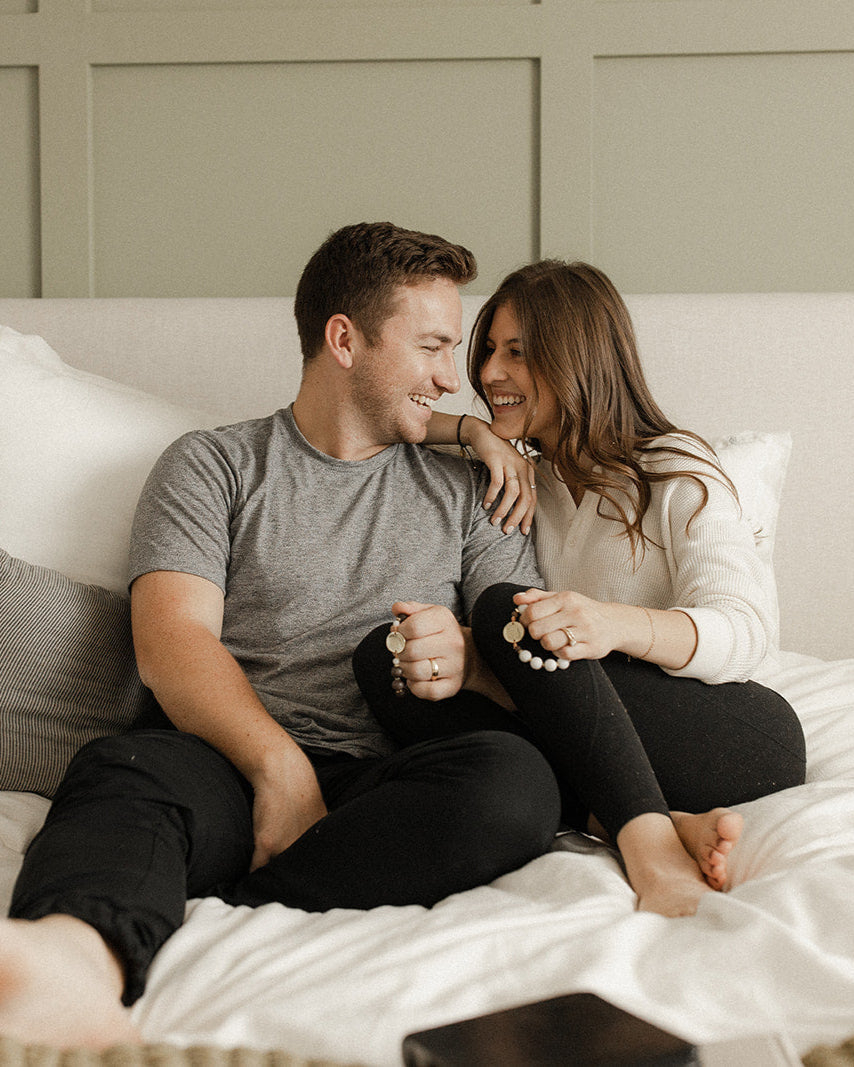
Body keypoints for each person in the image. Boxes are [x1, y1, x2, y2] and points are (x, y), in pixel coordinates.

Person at [0, 223, 564, 1050]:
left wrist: (470, 655)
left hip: (392, 777)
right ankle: (72, 960)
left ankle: (253, 892)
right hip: (227, 760)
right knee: (127, 770)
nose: (455, 378)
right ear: (345, 339)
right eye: (433, 347)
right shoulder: (213, 465)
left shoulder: (473, 488)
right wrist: (278, 765)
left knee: (517, 783)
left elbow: (527, 664)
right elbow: (172, 642)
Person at [354, 258, 806, 919]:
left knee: (503, 609)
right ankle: (651, 815)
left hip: (728, 734)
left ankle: (650, 850)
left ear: (577, 358)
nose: (487, 374)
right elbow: (389, 419)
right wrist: (478, 432)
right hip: (594, 735)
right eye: (488, 352)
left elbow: (745, 632)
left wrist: (612, 625)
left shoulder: (679, 471)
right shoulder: (520, 478)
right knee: (389, 652)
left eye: (516, 352)